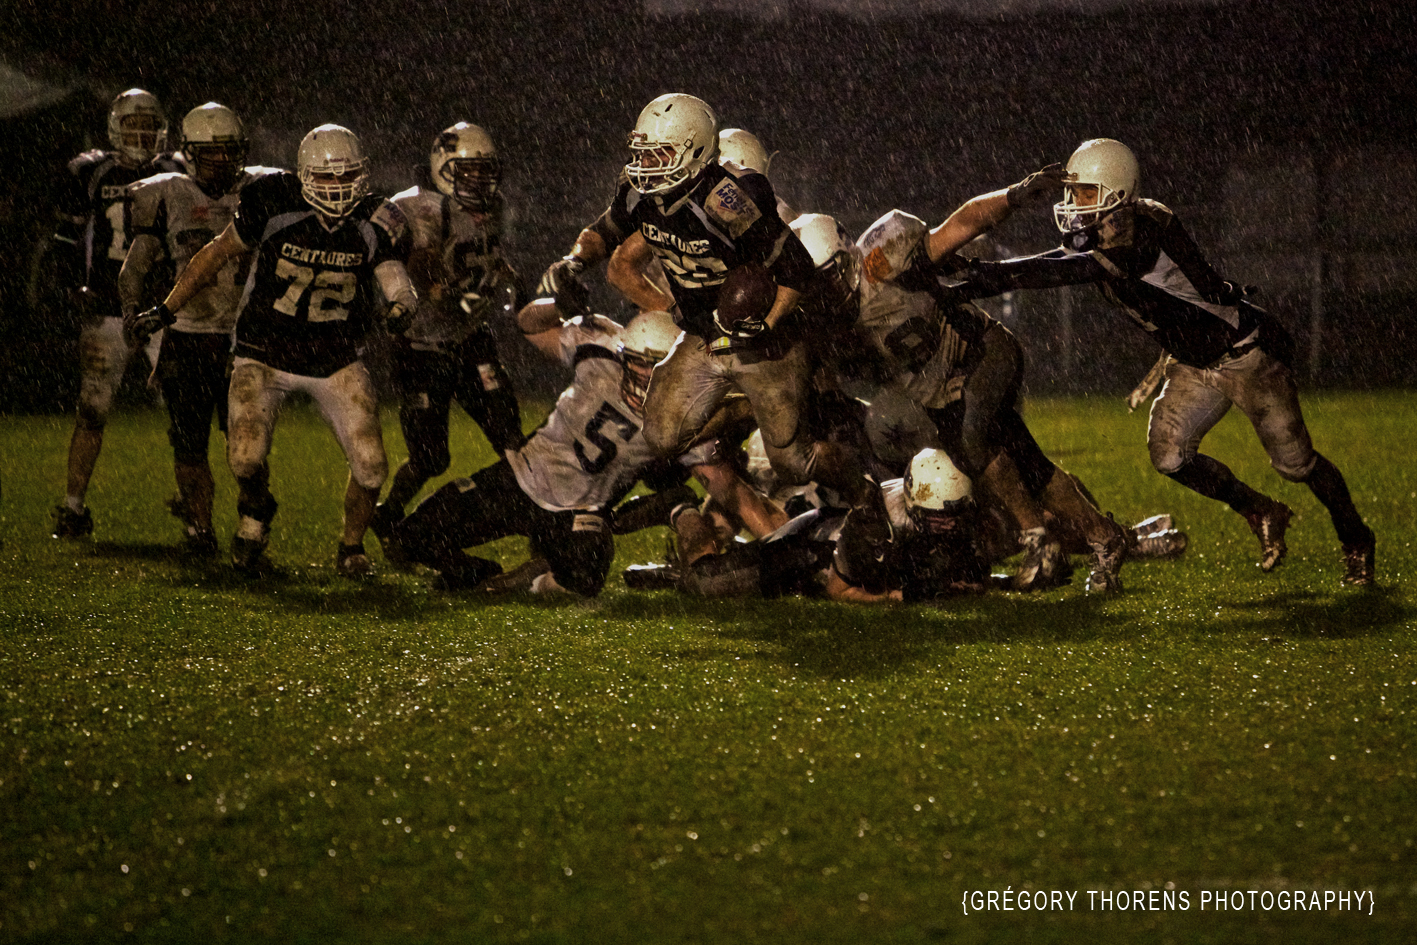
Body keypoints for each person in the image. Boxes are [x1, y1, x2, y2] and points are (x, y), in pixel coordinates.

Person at [959, 138, 1376, 586]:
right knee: (1169, 455)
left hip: (1244, 355)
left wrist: (974, 276)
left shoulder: (1139, 235)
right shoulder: (1114, 229)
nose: (1074, 204)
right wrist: (974, 276)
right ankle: (1259, 510)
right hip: (1193, 362)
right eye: (1073, 194)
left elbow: (1055, 270)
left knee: (1296, 464)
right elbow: (1066, 262)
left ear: (1118, 192)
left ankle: (1357, 540)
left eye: (1085, 194)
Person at [537, 94, 869, 506]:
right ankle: (741, 408)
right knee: (659, 436)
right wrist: (573, 262)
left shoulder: (728, 198)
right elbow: (606, 230)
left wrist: (765, 323)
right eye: (644, 154)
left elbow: (796, 270)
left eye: (658, 155)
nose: (645, 165)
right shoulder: (640, 192)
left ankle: (862, 488)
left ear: (693, 151)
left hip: (766, 341)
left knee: (791, 462)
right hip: (702, 331)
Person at [789, 206, 1129, 594]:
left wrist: (1015, 196)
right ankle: (1103, 537)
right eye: (811, 286)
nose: (822, 293)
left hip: (981, 353)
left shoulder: (885, 256)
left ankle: (1040, 539)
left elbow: (962, 223)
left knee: (972, 442)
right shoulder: (827, 322)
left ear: (846, 256)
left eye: (826, 279)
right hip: (941, 395)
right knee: (1030, 466)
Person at [128, 124, 416, 576]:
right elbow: (217, 251)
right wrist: (166, 310)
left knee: (372, 466)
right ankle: (257, 508)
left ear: (361, 175)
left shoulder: (379, 217)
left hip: (334, 356)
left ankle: (351, 548)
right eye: (326, 179)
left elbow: (395, 277)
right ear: (303, 176)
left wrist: (402, 304)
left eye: (346, 178)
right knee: (244, 456)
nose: (337, 188)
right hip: (264, 349)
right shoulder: (274, 199)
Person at [392, 304, 780, 595]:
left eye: (656, 366)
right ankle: (482, 573)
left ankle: (525, 579)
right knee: (411, 539)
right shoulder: (598, 350)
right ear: (623, 354)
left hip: (581, 513)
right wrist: (561, 300)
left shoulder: (683, 416)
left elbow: (729, 489)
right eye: (639, 363)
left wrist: (781, 549)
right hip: (518, 479)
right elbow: (529, 324)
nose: (645, 374)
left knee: (585, 577)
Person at [121, 102, 279, 555]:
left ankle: (252, 525)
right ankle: (199, 530)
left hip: (246, 339)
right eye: (213, 154)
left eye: (231, 152)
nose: (224, 162)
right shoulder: (165, 193)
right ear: (189, 153)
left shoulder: (263, 189)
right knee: (189, 443)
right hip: (187, 336)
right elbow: (133, 268)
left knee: (247, 443)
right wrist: (133, 310)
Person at [370, 122, 525, 559]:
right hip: (421, 347)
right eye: (468, 172)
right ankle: (389, 512)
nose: (479, 181)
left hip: (471, 339)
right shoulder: (420, 206)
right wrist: (449, 291)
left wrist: (508, 275)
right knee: (431, 459)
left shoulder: (491, 207)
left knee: (512, 442)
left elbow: (481, 251)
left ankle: (540, 525)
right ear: (442, 167)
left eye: (485, 171)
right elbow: (422, 262)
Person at [51, 88, 183, 539]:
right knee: (92, 410)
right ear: (115, 128)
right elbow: (66, 241)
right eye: (134, 125)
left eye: (149, 125)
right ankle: (72, 507)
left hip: (165, 307)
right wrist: (74, 287)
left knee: (186, 413)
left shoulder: (176, 171)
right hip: (108, 307)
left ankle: (195, 509)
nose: (143, 134)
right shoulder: (92, 171)